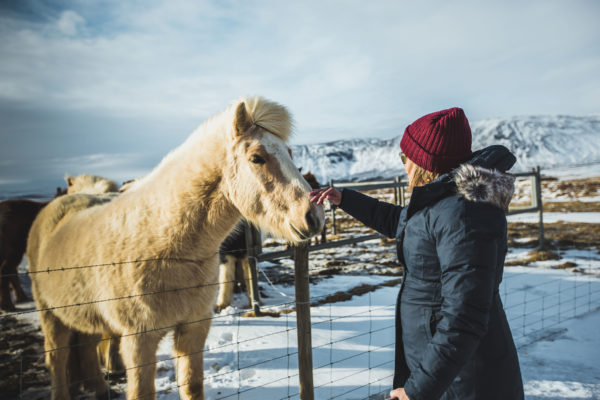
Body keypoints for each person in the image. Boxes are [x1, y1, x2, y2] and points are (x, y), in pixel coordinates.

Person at [310, 108, 524, 400]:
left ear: (425, 163)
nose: (404, 165)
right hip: (444, 373)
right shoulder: (442, 204)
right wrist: (345, 199)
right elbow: (402, 223)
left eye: (404, 157)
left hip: (463, 382)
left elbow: (464, 317)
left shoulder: (462, 215)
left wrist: (417, 391)